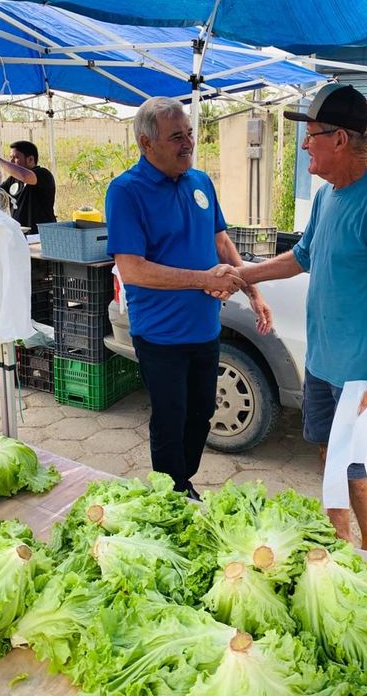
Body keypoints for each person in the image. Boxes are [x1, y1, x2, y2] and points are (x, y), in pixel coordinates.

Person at [235, 83, 367, 553]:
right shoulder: (327, 197)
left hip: (363, 377)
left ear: (340, 139)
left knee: (360, 472)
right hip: (323, 364)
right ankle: (339, 538)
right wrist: (245, 274)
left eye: (312, 133)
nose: (305, 143)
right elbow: (303, 255)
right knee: (329, 454)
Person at [105, 96, 272, 498]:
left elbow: (220, 240)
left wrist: (253, 290)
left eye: (190, 133)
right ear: (147, 143)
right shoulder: (126, 191)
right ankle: (173, 491)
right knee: (170, 417)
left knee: (202, 414)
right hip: (160, 335)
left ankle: (183, 479)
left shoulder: (200, 182)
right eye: (176, 136)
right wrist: (202, 280)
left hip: (204, 329)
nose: (189, 143)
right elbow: (133, 269)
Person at [0, 140, 56, 234]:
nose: (11, 161)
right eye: (11, 157)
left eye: (16, 157)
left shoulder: (43, 174)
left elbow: (25, 176)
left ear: (30, 159)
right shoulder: (12, 180)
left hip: (43, 235)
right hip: (21, 235)